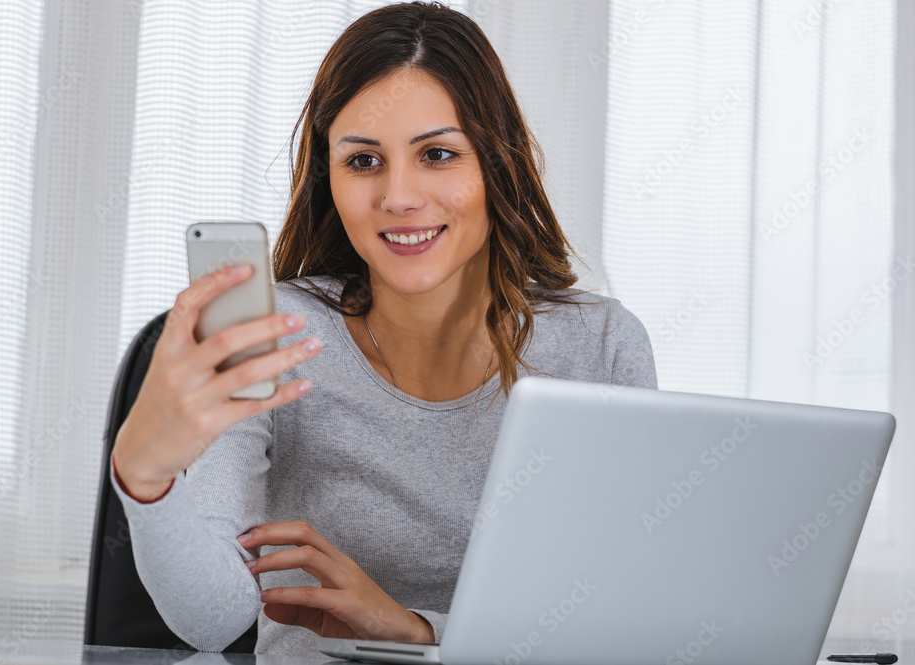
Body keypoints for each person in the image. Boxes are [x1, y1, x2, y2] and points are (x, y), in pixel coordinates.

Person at [110, 1, 657, 658]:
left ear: (495, 163)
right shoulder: (276, 336)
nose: (398, 195)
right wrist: (142, 472)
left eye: (437, 153)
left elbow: (624, 622)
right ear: (329, 178)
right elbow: (215, 618)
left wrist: (416, 632)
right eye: (364, 161)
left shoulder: (599, 348)